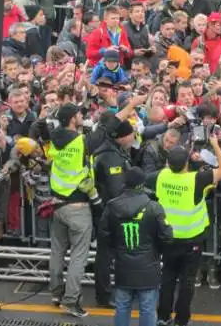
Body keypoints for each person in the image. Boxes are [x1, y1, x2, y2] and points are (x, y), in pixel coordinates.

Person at [147, 134, 221, 326]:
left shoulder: (162, 176)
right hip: (192, 239)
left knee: (167, 277)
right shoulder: (197, 179)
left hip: (168, 237)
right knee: (187, 281)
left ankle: (162, 317)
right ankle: (182, 320)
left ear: (168, 163)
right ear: (187, 164)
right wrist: (216, 145)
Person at [99, 167, 173, 326]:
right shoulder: (154, 207)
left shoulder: (112, 206)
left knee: (122, 306)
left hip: (122, 266)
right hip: (148, 267)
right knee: (147, 308)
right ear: (142, 183)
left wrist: (116, 250)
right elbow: (167, 237)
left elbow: (104, 236)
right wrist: (156, 250)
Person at [47, 103, 98, 318]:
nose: (81, 116)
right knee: (79, 256)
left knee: (57, 251)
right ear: (71, 119)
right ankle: (71, 301)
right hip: (78, 207)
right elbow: (107, 127)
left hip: (57, 204)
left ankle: (57, 294)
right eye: (79, 114)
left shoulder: (54, 139)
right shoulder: (82, 141)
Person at [92, 119, 137, 307]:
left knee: (109, 254)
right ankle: (104, 296)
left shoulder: (112, 151)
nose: (134, 136)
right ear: (123, 136)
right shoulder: (111, 156)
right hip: (109, 213)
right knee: (105, 255)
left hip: (106, 210)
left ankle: (110, 292)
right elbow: (116, 189)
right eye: (132, 133)